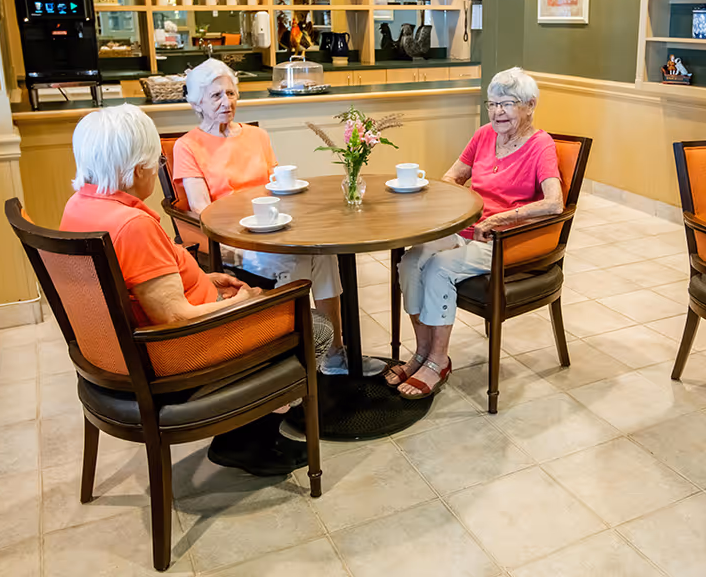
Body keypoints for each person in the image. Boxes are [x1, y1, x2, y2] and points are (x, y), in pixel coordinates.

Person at [60, 104, 307, 477]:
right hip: (178, 355)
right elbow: (174, 318)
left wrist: (202, 280)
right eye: (156, 160)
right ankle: (247, 439)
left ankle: (253, 421)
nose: (159, 166)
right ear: (138, 168)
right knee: (312, 324)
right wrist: (238, 304)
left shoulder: (80, 207)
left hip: (112, 355)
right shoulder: (131, 226)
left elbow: (138, 286)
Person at [172, 58, 384, 377]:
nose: (226, 102)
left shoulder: (256, 137)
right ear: (196, 103)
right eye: (215, 96)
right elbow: (202, 209)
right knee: (296, 262)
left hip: (274, 229)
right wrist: (248, 228)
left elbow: (277, 187)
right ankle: (290, 362)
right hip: (232, 240)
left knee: (323, 255)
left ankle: (335, 351)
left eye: (230, 93)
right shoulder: (187, 146)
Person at [388, 67, 565, 398]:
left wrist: (498, 221)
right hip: (468, 229)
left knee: (440, 267)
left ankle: (438, 361)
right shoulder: (484, 135)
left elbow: (555, 203)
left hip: (504, 239)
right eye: (492, 103)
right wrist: (452, 209)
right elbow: (451, 177)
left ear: (530, 105)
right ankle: (423, 353)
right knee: (411, 262)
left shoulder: (541, 146)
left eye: (507, 104)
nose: (497, 112)